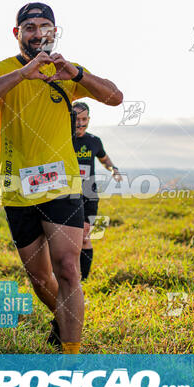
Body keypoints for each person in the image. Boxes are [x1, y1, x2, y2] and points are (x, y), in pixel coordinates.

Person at [0, 2, 123, 353]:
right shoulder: (2, 70)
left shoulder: (66, 72)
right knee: (39, 278)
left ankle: (72, 359)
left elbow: (115, 97)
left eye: (45, 27)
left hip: (61, 184)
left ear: (55, 31)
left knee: (68, 269)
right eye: (30, 27)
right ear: (17, 33)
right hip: (16, 188)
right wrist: (24, 73)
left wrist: (78, 75)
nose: (38, 34)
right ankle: (64, 317)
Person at [72, 101, 122, 281]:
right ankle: (66, 276)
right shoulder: (63, 139)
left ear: (89, 119)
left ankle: (82, 280)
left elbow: (104, 159)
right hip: (66, 193)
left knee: (85, 237)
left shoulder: (94, 141)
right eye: (77, 119)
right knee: (66, 239)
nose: (81, 123)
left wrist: (113, 169)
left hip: (89, 193)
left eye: (84, 119)